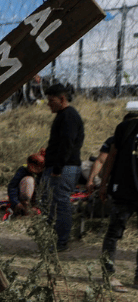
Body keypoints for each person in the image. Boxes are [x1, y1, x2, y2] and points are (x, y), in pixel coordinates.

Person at [97, 102, 138, 292]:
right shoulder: (126, 127)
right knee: (114, 233)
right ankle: (108, 275)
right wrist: (104, 184)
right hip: (124, 191)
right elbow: (111, 157)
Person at [41, 83, 85, 252]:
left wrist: (57, 168)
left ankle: (60, 242)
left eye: (51, 100)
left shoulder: (69, 116)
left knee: (59, 204)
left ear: (62, 99)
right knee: (51, 204)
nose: (48, 104)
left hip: (63, 168)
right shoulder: (63, 116)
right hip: (60, 166)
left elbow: (67, 143)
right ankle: (53, 239)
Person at [4, 152, 44, 218]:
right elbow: (12, 187)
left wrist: (38, 205)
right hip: (23, 198)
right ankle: (23, 206)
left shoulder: (42, 174)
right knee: (28, 180)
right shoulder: (23, 171)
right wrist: (16, 203)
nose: (40, 169)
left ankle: (32, 208)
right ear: (30, 165)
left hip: (36, 199)